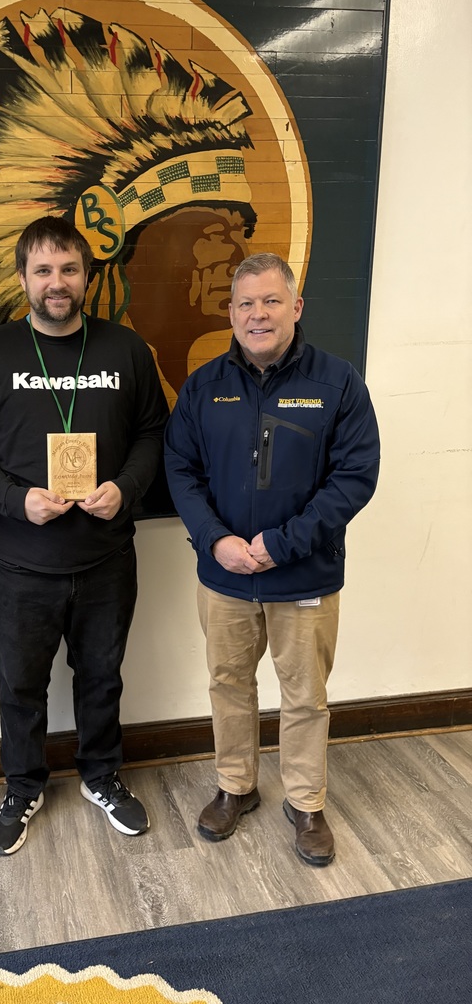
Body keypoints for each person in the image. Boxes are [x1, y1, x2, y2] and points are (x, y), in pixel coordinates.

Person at [0, 215, 169, 855]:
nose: (57, 282)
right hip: (19, 560)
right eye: (42, 270)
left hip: (106, 556)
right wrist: (16, 500)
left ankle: (102, 776)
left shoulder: (126, 350)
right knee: (20, 685)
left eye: (69, 269)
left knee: (102, 676)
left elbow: (154, 432)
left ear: (87, 275)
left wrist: (126, 487)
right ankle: (23, 785)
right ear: (23, 278)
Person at [164, 252, 379, 866]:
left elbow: (355, 477)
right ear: (231, 313)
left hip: (304, 575)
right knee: (228, 684)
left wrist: (281, 544)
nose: (257, 315)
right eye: (245, 304)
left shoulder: (338, 382)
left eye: (270, 301)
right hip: (224, 575)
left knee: (306, 695)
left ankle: (306, 802)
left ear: (296, 307)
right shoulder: (203, 386)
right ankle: (235, 786)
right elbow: (180, 469)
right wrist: (215, 540)